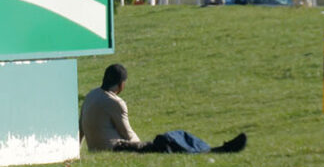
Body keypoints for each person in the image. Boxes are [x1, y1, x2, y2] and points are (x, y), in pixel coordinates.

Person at [79, 63, 246, 155]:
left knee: (168, 141)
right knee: (170, 140)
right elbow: (128, 134)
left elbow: (81, 127)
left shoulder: (91, 95)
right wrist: (143, 147)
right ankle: (214, 150)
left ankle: (212, 149)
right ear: (122, 84)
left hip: (94, 148)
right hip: (115, 148)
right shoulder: (115, 102)